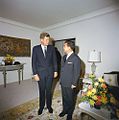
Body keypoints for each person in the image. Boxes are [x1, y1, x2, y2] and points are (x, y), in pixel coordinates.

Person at [32, 32, 58, 115]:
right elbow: (33, 62)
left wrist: (55, 71)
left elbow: (54, 60)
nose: (48, 41)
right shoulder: (35, 48)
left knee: (49, 91)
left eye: (48, 40)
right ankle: (41, 106)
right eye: (46, 40)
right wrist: (35, 74)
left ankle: (49, 106)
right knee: (42, 91)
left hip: (50, 73)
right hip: (40, 74)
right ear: (41, 40)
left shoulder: (52, 48)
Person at [59, 40, 81, 120]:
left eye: (64, 46)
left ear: (69, 47)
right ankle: (65, 110)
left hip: (70, 83)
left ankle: (70, 114)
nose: (63, 47)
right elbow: (62, 70)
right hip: (63, 82)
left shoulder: (76, 58)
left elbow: (77, 72)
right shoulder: (64, 57)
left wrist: (74, 83)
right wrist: (60, 80)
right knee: (64, 98)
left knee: (71, 99)